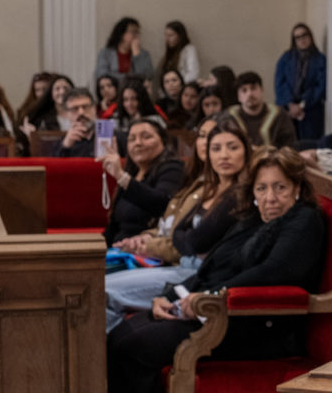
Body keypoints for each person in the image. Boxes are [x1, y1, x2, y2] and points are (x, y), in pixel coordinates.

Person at [105, 146, 326, 393]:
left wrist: (207, 298)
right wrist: (169, 295)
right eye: (262, 188)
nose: (270, 198)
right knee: (120, 334)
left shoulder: (304, 220)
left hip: (254, 324)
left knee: (134, 344)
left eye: (280, 188)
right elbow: (213, 266)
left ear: (297, 188)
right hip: (216, 310)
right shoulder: (255, 219)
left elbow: (272, 274)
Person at [105, 115, 251, 332]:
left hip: (195, 274)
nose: (224, 155)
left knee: (103, 290)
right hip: (182, 263)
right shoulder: (207, 185)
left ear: (246, 151)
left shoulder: (237, 194)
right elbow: (179, 230)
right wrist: (156, 236)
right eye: (215, 146)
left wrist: (160, 243)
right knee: (96, 282)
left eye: (232, 147)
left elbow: (192, 240)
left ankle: (99, 359)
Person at [101, 116, 186, 245]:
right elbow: (114, 226)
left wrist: (121, 177)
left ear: (163, 141)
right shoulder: (132, 174)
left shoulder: (173, 168)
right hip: (118, 249)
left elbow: (162, 204)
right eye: (132, 139)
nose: (138, 143)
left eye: (146, 137)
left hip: (148, 248)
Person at [274, 22, 327, 140]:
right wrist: (290, 104)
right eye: (297, 37)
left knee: (308, 144)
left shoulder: (320, 60)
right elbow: (280, 83)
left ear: (310, 36)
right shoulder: (286, 58)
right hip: (288, 109)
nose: (302, 39)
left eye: (304, 35)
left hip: (310, 110)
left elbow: (320, 85)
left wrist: (302, 105)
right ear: (294, 40)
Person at [227, 71, 295, 148]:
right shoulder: (230, 116)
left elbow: (289, 147)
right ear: (238, 96)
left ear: (262, 90)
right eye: (244, 90)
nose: (249, 94)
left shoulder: (279, 115)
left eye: (253, 88)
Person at [95, 17, 155, 86]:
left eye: (137, 32)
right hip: (113, 90)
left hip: (134, 92)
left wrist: (137, 55)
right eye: (132, 32)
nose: (135, 35)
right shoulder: (105, 53)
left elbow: (147, 76)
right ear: (122, 34)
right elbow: (102, 74)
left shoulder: (144, 54)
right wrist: (128, 78)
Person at [57, 88, 99, 157]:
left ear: (94, 109)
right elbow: (53, 166)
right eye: (75, 108)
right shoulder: (62, 143)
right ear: (67, 114)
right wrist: (65, 147)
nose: (81, 112)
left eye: (85, 107)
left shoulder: (115, 138)